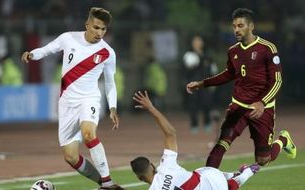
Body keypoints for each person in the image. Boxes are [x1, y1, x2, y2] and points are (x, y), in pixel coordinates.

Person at [21, 7, 124, 190]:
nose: (100, 33)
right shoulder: (68, 38)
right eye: (96, 27)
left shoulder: (108, 53)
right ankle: (102, 183)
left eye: (103, 29)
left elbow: (110, 83)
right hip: (67, 102)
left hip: (89, 99)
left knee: (88, 134)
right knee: (70, 157)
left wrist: (113, 107)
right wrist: (32, 54)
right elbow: (47, 50)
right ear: (87, 25)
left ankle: (108, 182)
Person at [186, 8, 297, 168]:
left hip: (262, 109)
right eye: (234, 26)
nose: (236, 29)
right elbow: (228, 74)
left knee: (262, 160)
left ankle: (284, 140)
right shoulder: (233, 51)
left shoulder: (267, 49)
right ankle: (205, 182)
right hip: (238, 106)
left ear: (251, 26)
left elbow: (277, 81)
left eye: (240, 25)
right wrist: (203, 83)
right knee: (221, 144)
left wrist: (262, 103)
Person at [131, 91, 260, 190]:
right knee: (201, 177)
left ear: (140, 178)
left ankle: (247, 172)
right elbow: (170, 134)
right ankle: (234, 173)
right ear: (152, 166)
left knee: (229, 186)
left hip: (214, 185)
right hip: (207, 173)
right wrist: (151, 108)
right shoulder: (166, 165)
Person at [182, 35, 218, 133]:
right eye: (195, 41)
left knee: (207, 103)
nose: (197, 43)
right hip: (193, 84)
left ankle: (207, 123)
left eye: (199, 41)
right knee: (193, 105)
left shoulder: (207, 55)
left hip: (205, 83)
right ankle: (194, 125)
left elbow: (213, 69)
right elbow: (188, 68)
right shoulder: (189, 55)